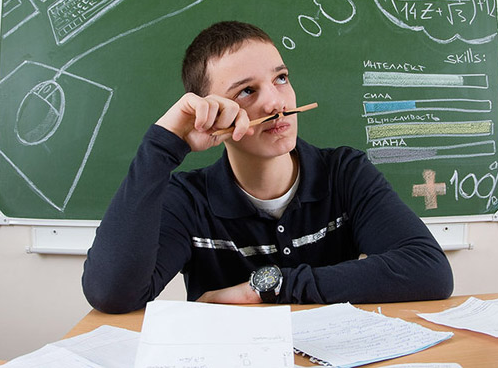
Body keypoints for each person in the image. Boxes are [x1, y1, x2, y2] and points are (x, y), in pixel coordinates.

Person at [82, 21, 453, 314]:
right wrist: (163, 145)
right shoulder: (189, 200)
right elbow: (112, 294)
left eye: (281, 78)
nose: (277, 103)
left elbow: (428, 271)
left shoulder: (345, 173)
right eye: (247, 91)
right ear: (212, 113)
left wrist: (267, 288)